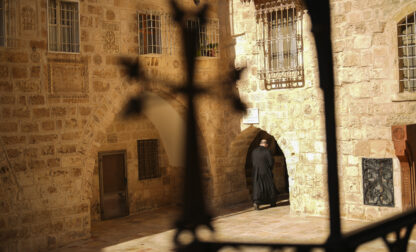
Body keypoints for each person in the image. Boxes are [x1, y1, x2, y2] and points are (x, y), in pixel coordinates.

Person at [251, 139, 278, 210]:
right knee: (269, 186)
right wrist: (270, 169)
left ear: (260, 144)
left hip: (256, 172)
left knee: (257, 187)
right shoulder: (267, 151)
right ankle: (272, 202)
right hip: (266, 171)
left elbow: (253, 162)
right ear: (266, 144)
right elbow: (271, 162)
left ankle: (256, 202)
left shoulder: (254, 151)